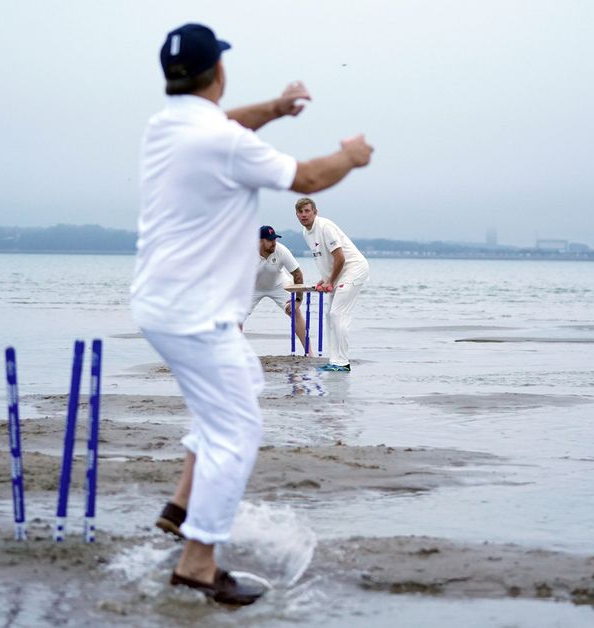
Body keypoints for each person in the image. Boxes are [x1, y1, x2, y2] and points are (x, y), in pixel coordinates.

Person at [130, 23, 373, 605]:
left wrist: (277, 108)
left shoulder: (166, 126)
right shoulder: (222, 142)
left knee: (241, 381)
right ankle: (198, 562)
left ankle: (181, 503)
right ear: (218, 72)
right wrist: (351, 156)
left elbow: (230, 122)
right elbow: (310, 178)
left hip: (160, 302)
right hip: (193, 311)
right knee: (238, 430)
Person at [294, 197, 370, 372]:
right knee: (329, 315)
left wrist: (331, 281)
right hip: (339, 273)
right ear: (297, 215)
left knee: (337, 314)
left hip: (354, 269)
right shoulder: (306, 233)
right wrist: (325, 279)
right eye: (300, 212)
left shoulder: (325, 227)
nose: (304, 215)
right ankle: (335, 361)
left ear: (315, 212)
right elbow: (323, 258)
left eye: (307, 211)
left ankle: (342, 362)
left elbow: (340, 257)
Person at [247, 225, 309, 355]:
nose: (274, 243)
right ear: (259, 241)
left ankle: (309, 353)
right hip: (253, 288)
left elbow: (297, 274)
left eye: (275, 239)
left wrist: (298, 300)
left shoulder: (281, 250)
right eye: (270, 240)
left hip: (278, 284)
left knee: (295, 312)